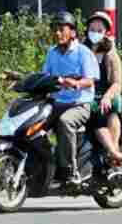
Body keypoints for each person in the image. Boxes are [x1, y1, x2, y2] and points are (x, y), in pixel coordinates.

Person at [36, 12, 98, 185]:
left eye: (61, 29)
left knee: (65, 122)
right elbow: (45, 76)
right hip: (56, 102)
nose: (57, 33)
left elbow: (90, 80)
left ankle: (70, 171)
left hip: (80, 103)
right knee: (33, 125)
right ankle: (44, 166)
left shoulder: (83, 53)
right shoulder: (51, 53)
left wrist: (76, 83)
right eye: (54, 30)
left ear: (72, 32)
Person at [85, 11, 122, 170]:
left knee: (103, 114)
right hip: (85, 93)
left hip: (104, 94)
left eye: (99, 30)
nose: (94, 33)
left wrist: (107, 97)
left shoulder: (110, 53)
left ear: (105, 32)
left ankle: (113, 150)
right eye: (92, 29)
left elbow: (117, 83)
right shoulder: (82, 49)